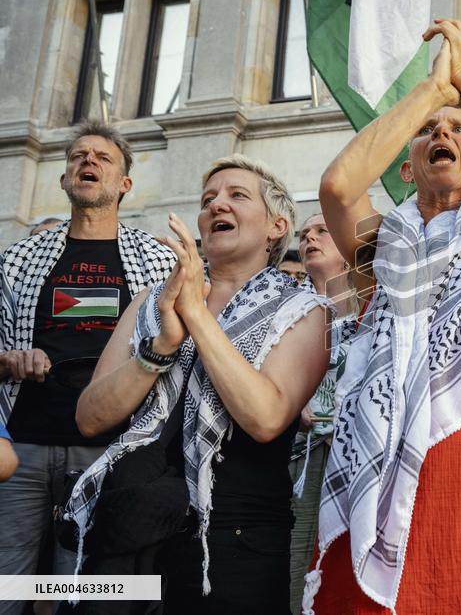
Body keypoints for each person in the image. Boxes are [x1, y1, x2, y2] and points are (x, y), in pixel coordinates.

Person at [303, 18, 461, 614]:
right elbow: (338, 189)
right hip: (384, 472)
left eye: (457, 132)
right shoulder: (379, 245)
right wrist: (432, 92)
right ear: (405, 167)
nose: (441, 134)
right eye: (427, 134)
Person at [67, 154, 330, 613]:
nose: (216, 206)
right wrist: (162, 345)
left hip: (234, 544)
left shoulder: (303, 309)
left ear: (276, 226)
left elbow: (266, 417)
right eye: (208, 199)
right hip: (132, 534)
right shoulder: (152, 300)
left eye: (237, 196)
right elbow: (89, 418)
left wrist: (195, 315)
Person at [0, 121, 175, 613]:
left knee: (80, 590)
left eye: (102, 157)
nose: (88, 162)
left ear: (124, 184)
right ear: (64, 179)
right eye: (78, 156)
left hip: (109, 448)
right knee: (8, 585)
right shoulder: (16, 261)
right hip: (24, 447)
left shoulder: (157, 263)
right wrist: (8, 360)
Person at [287, 213, 356, 613]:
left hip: (355, 459)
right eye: (304, 234)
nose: (309, 238)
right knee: (298, 562)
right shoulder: (289, 311)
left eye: (322, 231)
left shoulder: (377, 307)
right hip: (303, 460)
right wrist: (293, 404)